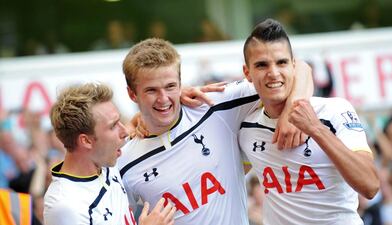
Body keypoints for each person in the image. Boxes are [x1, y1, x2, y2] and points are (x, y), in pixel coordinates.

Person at [118, 37, 312, 225]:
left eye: (170, 86)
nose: (163, 98)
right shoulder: (123, 162)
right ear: (132, 94)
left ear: (181, 84)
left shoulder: (214, 104)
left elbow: (300, 69)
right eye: (151, 90)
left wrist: (292, 110)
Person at [238, 18, 380, 225]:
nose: (273, 73)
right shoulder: (246, 129)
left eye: (281, 62)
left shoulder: (335, 109)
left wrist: (315, 128)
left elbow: (370, 185)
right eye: (262, 65)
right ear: (247, 73)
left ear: (293, 66)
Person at [43, 83, 175, 225]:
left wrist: (180, 95)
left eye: (120, 122)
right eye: (113, 125)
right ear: (86, 141)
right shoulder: (64, 206)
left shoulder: (104, 160)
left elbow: (135, 123)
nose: (124, 131)